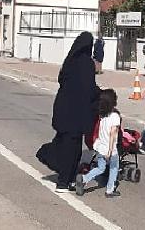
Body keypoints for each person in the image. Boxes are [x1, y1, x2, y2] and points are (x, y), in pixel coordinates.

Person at [52, 32, 101, 193]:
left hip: (63, 109)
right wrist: (102, 95)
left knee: (67, 144)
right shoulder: (86, 63)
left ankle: (69, 179)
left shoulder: (69, 61)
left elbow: (62, 80)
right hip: (76, 114)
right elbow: (89, 89)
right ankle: (63, 182)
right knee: (72, 148)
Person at [75, 89, 121, 198]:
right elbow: (113, 134)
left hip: (100, 147)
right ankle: (110, 190)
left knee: (101, 168)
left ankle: (84, 178)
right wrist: (110, 151)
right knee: (114, 168)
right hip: (110, 149)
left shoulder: (102, 116)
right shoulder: (115, 116)